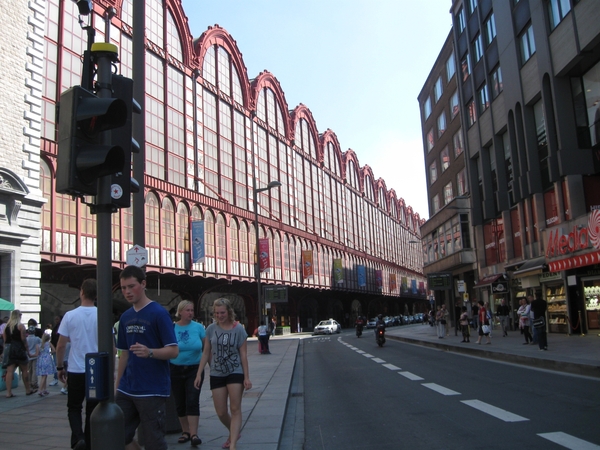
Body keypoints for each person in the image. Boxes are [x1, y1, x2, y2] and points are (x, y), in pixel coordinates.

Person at [116, 265, 179, 450]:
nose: (127, 291)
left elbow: (173, 350)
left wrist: (150, 352)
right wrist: (118, 386)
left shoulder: (159, 314)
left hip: (152, 389)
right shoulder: (125, 317)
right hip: (127, 389)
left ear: (143, 284)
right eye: (123, 288)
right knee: (118, 434)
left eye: (131, 286)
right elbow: (124, 354)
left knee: (154, 441)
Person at [194, 298, 251, 450]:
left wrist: (246, 377)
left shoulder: (239, 329)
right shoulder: (211, 329)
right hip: (216, 372)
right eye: (217, 313)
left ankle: (233, 445)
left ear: (229, 312)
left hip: (235, 371)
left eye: (222, 312)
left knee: (235, 408)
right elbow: (206, 353)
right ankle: (234, 432)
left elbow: (243, 355)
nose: (220, 315)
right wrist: (199, 373)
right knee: (220, 411)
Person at [56, 279, 99, 450]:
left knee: (74, 407)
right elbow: (111, 345)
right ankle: (88, 442)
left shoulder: (70, 315)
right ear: (96, 294)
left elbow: (60, 345)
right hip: (95, 370)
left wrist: (60, 367)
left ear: (81, 292)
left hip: (75, 369)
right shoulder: (101, 314)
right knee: (92, 409)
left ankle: (77, 438)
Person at [170, 300, 206, 447]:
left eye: (192, 310)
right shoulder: (172, 328)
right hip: (175, 368)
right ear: (180, 312)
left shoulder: (198, 328)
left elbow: (206, 349)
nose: (190, 313)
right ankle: (185, 431)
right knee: (180, 402)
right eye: (187, 310)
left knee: (192, 399)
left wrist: (209, 367)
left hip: (194, 369)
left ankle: (194, 433)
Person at [2, 309, 36, 397]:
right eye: (20, 315)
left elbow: (5, 341)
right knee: (25, 370)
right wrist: (28, 351)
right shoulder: (21, 326)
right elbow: (23, 339)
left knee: (9, 371)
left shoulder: (6, 327)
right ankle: (28, 390)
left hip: (9, 349)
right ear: (18, 316)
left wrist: (4, 352)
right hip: (19, 349)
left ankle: (8, 392)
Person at [36, 332, 56, 397]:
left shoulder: (39, 345)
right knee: (45, 376)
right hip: (47, 360)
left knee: (43, 375)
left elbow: (37, 353)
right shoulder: (49, 344)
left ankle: (44, 389)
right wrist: (49, 352)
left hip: (40, 360)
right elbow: (54, 350)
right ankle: (40, 389)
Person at [26, 325, 42, 390]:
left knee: (29, 370)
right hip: (35, 355)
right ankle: (34, 383)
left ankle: (29, 383)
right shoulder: (37, 339)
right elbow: (41, 344)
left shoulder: (26, 339)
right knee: (35, 370)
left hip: (28, 356)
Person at [49, 315, 62, 386]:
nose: (56, 320)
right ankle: (55, 378)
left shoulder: (60, 327)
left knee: (59, 363)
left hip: (59, 347)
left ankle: (58, 378)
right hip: (55, 347)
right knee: (55, 364)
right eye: (55, 319)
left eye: (57, 319)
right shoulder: (55, 328)